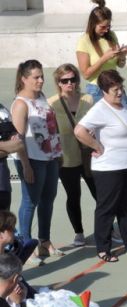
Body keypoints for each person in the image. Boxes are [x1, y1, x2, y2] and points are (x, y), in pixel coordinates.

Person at [74, 69, 127, 263]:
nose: (120, 92)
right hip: (108, 168)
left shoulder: (122, 106)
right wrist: (96, 146)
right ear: (104, 91)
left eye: (121, 88)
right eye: (115, 89)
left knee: (125, 206)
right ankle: (103, 248)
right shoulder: (99, 110)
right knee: (106, 208)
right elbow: (79, 131)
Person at [10, 59, 62, 264]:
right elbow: (18, 139)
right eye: (36, 77)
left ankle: (44, 241)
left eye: (42, 76)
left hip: (50, 157)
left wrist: (58, 152)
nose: (41, 80)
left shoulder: (41, 97)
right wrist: (26, 165)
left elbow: (50, 127)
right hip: (32, 159)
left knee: (48, 199)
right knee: (30, 202)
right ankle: (26, 246)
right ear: (24, 79)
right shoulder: (21, 105)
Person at [48, 63, 97, 247]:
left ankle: (107, 227)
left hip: (88, 155)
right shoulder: (52, 103)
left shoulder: (88, 99)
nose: (70, 83)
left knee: (99, 194)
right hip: (66, 158)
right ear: (58, 83)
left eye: (73, 79)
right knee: (73, 196)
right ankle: (79, 232)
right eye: (65, 80)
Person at [76, 1, 127, 106]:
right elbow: (86, 74)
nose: (106, 30)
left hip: (115, 86)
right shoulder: (84, 41)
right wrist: (104, 58)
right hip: (97, 89)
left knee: (126, 115)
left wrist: (122, 57)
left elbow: (120, 65)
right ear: (93, 24)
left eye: (108, 26)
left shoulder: (111, 36)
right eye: (102, 27)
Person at [0, 104, 24, 211]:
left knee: (4, 218)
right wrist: (6, 146)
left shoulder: (2, 112)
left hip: (2, 183)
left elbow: (18, 144)